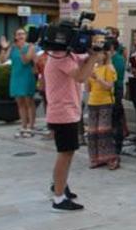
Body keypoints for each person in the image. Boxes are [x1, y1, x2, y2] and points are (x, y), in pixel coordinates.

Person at [44, 35, 103, 211]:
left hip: (67, 111)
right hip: (63, 112)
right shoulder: (59, 57)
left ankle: (60, 185)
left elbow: (82, 58)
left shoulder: (65, 55)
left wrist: (92, 52)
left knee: (67, 152)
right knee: (65, 153)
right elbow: (81, 76)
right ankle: (59, 198)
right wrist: (93, 57)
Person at [0, 29, 37, 137]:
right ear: (15, 36)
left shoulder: (30, 47)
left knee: (29, 102)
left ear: (26, 36)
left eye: (22, 34)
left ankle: (31, 126)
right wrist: (4, 48)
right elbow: (2, 60)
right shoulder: (12, 48)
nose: (20, 36)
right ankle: (23, 125)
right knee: (20, 103)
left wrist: (21, 49)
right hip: (16, 76)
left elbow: (26, 61)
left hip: (27, 76)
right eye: (18, 34)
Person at [86, 44, 118, 170]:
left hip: (105, 101)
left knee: (103, 130)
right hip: (93, 101)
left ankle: (110, 158)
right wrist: (87, 77)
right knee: (92, 132)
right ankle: (96, 158)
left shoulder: (108, 68)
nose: (97, 56)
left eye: (99, 53)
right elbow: (88, 88)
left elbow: (109, 86)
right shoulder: (92, 68)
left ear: (105, 55)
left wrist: (98, 78)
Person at [106, 29, 127, 157]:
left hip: (116, 90)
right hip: (106, 91)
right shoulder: (107, 59)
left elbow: (116, 77)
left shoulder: (118, 59)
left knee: (116, 118)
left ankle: (117, 144)